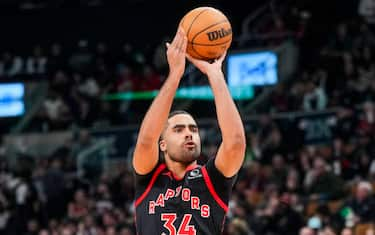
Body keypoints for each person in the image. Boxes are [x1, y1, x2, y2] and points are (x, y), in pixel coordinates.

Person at [132, 27, 246, 234]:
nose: (189, 133)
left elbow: (236, 143)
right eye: (178, 129)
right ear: (163, 144)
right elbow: (146, 140)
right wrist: (175, 76)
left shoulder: (212, 179)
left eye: (193, 128)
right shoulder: (149, 177)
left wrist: (215, 74)